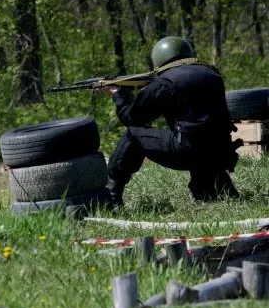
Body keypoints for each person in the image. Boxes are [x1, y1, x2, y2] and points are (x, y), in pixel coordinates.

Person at [102, 36, 240, 208]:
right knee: (203, 139)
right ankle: (220, 186)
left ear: (159, 59)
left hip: (189, 151)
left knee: (133, 135)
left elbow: (132, 118)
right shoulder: (211, 73)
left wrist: (118, 94)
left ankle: (112, 196)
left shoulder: (164, 83)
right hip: (220, 152)